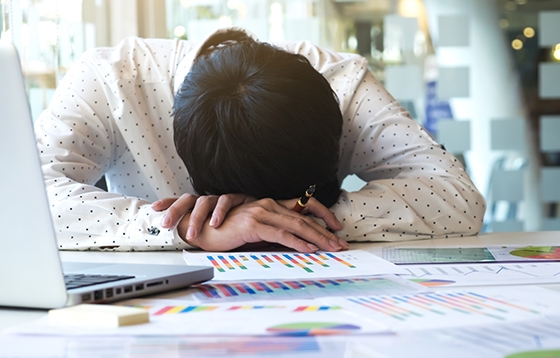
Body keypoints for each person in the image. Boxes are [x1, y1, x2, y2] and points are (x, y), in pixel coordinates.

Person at [36, 27, 485, 252]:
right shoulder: (111, 79)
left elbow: (459, 198)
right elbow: (15, 200)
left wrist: (300, 221)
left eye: (283, 202)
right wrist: (189, 232)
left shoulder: (342, 85)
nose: (257, 219)